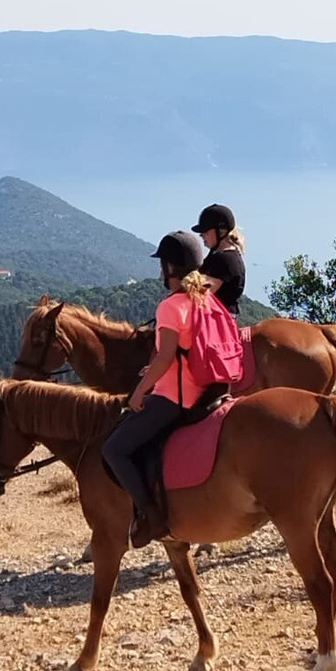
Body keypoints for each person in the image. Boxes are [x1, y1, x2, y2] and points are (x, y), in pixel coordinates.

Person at [102, 230, 211, 549]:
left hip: (175, 397)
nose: (160, 271)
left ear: (171, 268)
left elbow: (165, 356)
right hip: (202, 389)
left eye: (162, 265)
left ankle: (153, 517)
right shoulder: (204, 298)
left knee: (114, 449)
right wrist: (156, 370)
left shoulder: (171, 306)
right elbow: (186, 350)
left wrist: (138, 392)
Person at [192, 203, 246, 317]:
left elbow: (199, 296)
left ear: (221, 231)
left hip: (215, 322)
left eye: (205, 232)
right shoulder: (226, 255)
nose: (202, 236)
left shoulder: (223, 260)